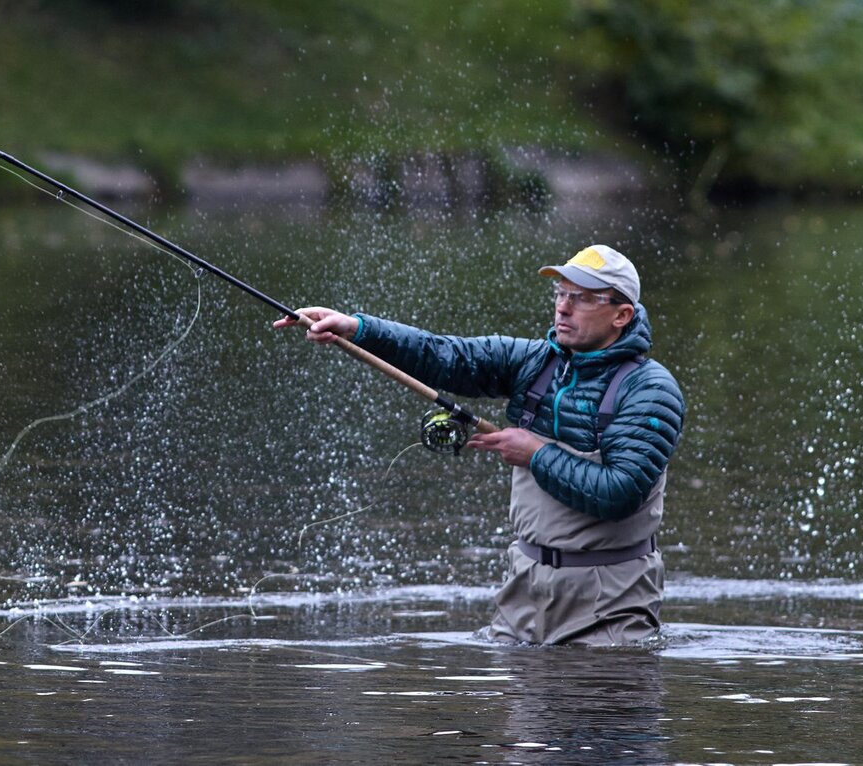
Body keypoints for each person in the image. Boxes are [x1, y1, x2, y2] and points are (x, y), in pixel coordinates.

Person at [274, 245, 685, 645]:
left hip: (610, 597)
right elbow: (445, 355)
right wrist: (358, 329)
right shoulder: (534, 362)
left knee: (600, 712)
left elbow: (620, 494)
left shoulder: (650, 389)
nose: (563, 307)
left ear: (622, 315)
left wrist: (536, 454)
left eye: (581, 298)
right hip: (524, 589)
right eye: (560, 293)